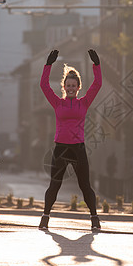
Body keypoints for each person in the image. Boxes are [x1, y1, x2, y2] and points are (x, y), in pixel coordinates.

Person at [39, 49, 102, 231]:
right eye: (69, 86)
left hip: (78, 149)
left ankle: (94, 218)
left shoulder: (84, 102)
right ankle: (45, 217)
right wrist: (48, 65)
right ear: (64, 87)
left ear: (78, 87)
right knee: (54, 185)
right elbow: (44, 85)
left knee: (85, 186)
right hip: (61, 150)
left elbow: (97, 84)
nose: (71, 88)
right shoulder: (58, 103)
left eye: (74, 86)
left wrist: (96, 65)